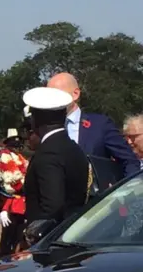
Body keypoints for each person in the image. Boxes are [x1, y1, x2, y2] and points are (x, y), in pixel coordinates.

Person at [47, 72, 139, 177]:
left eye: (56, 94)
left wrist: (126, 190)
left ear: (75, 94)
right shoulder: (44, 128)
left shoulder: (100, 125)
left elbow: (129, 161)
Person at [22, 87, 91, 225]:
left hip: (50, 239)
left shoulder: (48, 153)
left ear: (36, 120)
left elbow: (52, 206)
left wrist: (33, 236)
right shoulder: (73, 148)